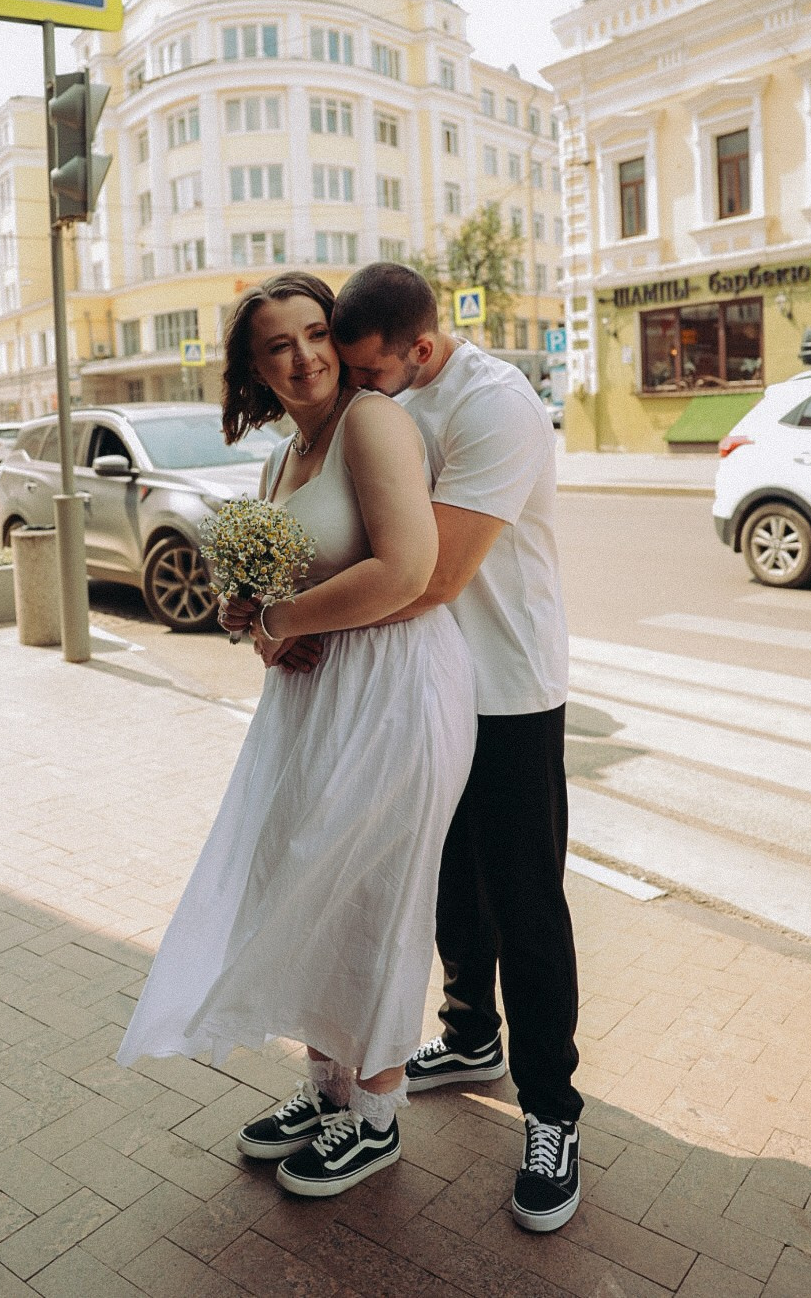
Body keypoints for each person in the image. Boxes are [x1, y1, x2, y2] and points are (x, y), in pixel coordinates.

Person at [116, 271, 477, 1198]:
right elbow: (289, 589)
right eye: (278, 345)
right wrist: (255, 617)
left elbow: (407, 569)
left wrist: (283, 619)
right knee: (302, 880)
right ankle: (327, 1092)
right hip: (317, 697)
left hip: (396, 687)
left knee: (373, 896)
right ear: (255, 367)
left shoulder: (373, 423)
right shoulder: (282, 458)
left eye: (316, 333)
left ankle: (377, 1117)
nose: (305, 356)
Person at [322, 261, 582, 1235]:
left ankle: (553, 1111)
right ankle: (471, 1034)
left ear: (422, 348)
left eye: (368, 372)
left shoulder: (496, 408)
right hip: (430, 685)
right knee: (447, 883)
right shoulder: (391, 401)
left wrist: (301, 617)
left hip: (509, 689)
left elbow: (431, 577)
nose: (358, 389)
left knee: (525, 902)